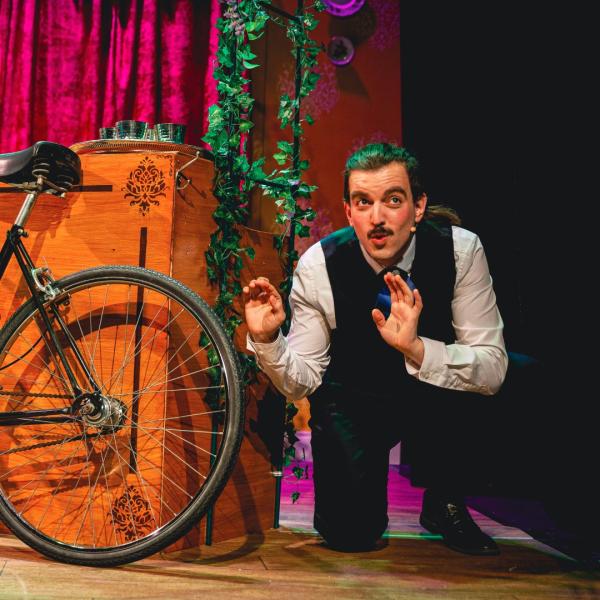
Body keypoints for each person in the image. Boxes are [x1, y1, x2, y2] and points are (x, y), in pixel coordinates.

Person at [243, 143, 508, 556]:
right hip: (355, 400)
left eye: (393, 200)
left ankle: (446, 500)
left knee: (517, 376)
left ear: (418, 207)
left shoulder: (461, 250)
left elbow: (492, 366)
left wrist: (418, 349)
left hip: (435, 398)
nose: (377, 218)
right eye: (363, 202)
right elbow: (301, 383)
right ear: (349, 211)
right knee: (350, 536)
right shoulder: (320, 265)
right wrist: (266, 339)